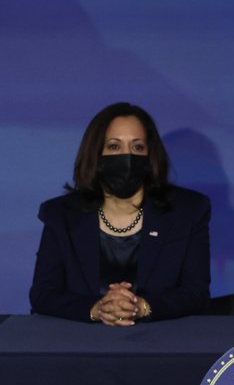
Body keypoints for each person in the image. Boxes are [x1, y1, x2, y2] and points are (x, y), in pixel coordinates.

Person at [30, 102, 211, 324]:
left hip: (163, 341)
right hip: (81, 343)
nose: (127, 158)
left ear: (150, 155)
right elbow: (43, 294)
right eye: (114, 147)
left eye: (137, 147)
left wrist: (142, 307)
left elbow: (196, 293)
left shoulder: (187, 210)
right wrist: (97, 309)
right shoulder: (61, 214)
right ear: (95, 155)